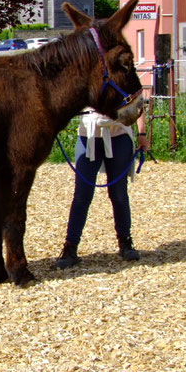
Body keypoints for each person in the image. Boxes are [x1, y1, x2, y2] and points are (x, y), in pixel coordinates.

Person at [55, 107, 150, 269]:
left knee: (118, 193)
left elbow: (137, 102)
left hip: (119, 135)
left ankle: (125, 242)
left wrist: (141, 134)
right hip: (88, 135)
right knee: (81, 195)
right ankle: (70, 247)